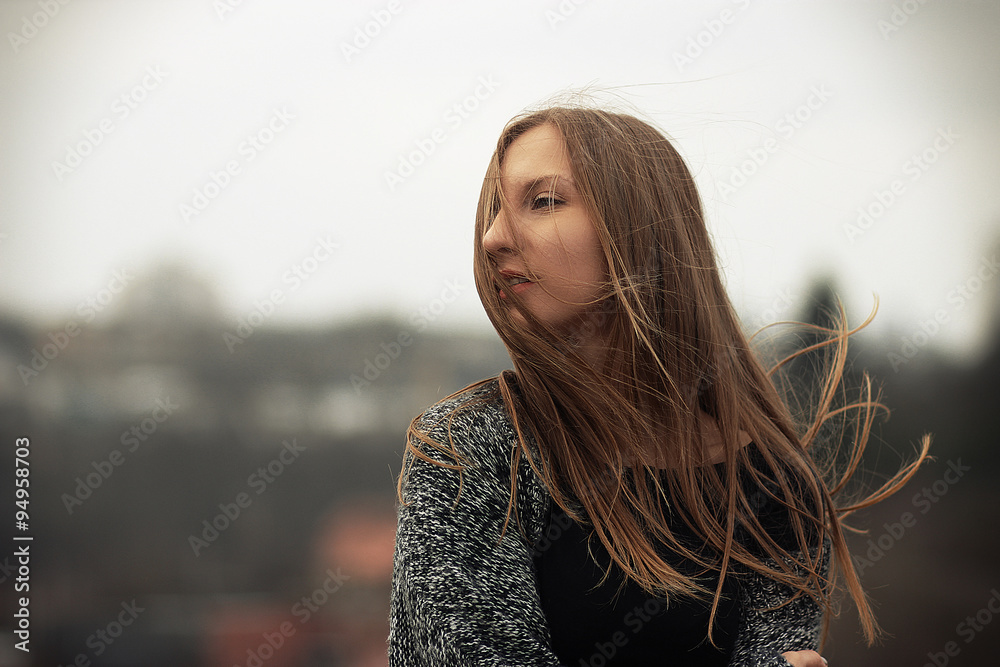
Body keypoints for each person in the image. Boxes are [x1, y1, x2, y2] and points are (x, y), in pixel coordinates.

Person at [388, 103, 930, 666]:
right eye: (495, 210)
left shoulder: (774, 487)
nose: (492, 237)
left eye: (543, 201)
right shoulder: (468, 448)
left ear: (640, 229)